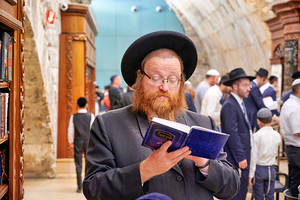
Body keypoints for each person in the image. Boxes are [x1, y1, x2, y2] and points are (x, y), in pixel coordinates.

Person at [83, 31, 240, 200]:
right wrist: (145, 170)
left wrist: (205, 164)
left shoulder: (203, 123)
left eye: (173, 79)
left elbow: (231, 188)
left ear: (181, 83)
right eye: (156, 78)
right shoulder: (109, 125)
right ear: (140, 77)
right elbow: (93, 189)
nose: (164, 87)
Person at [220, 68, 255, 200]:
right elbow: (232, 133)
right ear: (235, 86)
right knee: (237, 194)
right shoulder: (230, 105)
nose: (249, 89)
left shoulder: (239, 102)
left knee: (242, 191)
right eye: (245, 85)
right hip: (236, 159)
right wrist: (241, 157)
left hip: (242, 156)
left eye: (249, 85)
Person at [248, 108, 281, 200]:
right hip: (271, 169)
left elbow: (253, 157)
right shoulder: (277, 135)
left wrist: (251, 175)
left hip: (259, 169)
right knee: (270, 196)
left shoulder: (257, 136)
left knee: (258, 197)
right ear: (271, 120)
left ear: (258, 121)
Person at [68, 97, 95, 193]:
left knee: (78, 164)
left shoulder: (73, 117)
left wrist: (70, 141)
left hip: (78, 141)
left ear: (77, 105)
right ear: (86, 105)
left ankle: (79, 186)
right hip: (88, 141)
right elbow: (93, 130)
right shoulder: (91, 116)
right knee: (88, 164)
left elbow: (71, 130)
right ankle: (86, 186)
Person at [280, 79, 300, 197]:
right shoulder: (295, 107)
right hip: (297, 150)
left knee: (294, 180)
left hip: (293, 149)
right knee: (296, 184)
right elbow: (297, 132)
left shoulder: (289, 103)